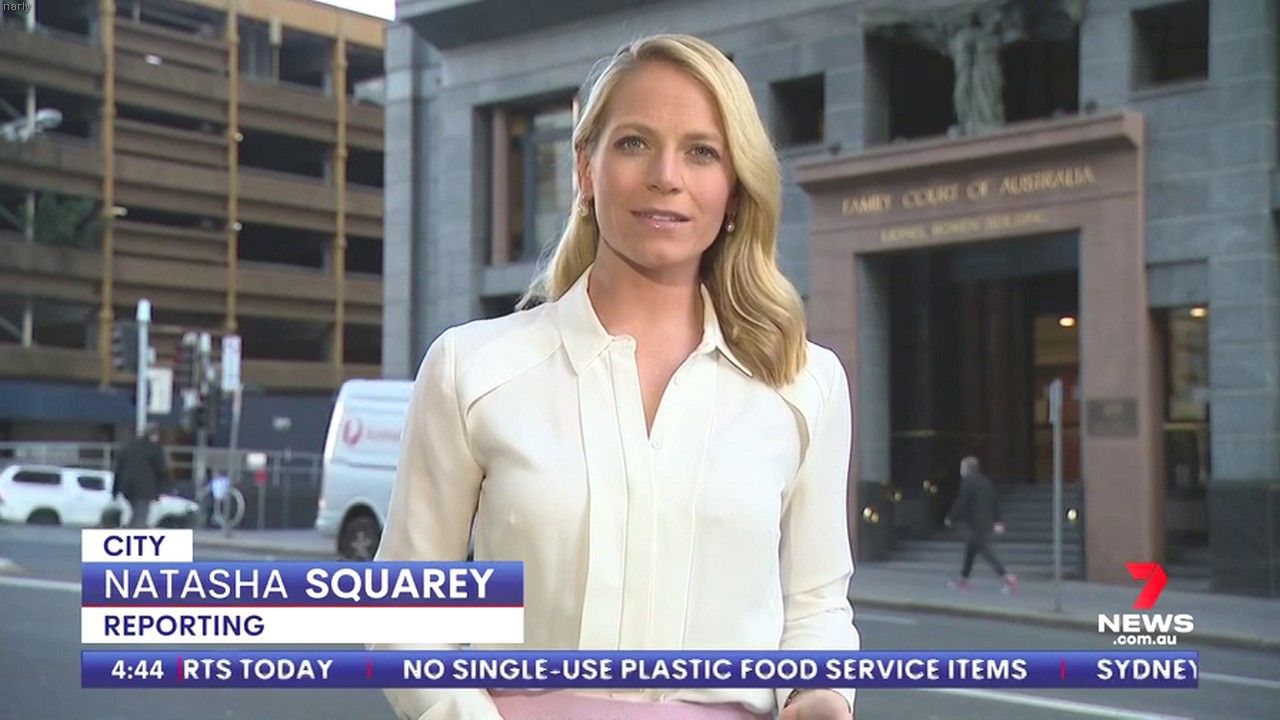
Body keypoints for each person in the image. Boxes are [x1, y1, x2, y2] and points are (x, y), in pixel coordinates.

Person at [375, 33, 858, 720]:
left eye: (702, 151)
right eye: (634, 143)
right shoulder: (470, 369)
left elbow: (816, 604)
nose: (666, 175)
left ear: (733, 188)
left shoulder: (807, 383)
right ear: (586, 168)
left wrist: (822, 696)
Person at [944, 456, 1018, 592]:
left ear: (967, 468)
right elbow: (994, 501)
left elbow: (962, 500)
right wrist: (999, 520)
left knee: (985, 551)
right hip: (986, 522)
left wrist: (950, 516)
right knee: (970, 551)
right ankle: (964, 579)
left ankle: (1007, 577)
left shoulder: (968, 482)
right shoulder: (986, 481)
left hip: (975, 523)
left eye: (962, 467)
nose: (961, 470)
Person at [112, 422, 169, 529]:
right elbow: (160, 470)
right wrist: (165, 487)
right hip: (145, 489)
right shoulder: (154, 449)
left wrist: (115, 491)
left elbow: (118, 470)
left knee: (135, 514)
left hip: (127, 488)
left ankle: (130, 531)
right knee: (141, 516)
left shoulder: (128, 447)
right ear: (154, 435)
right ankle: (135, 534)